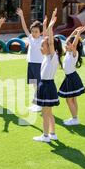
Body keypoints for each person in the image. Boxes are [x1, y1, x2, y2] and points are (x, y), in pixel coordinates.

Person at [33, 9, 63, 143]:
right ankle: (52, 133)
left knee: (45, 114)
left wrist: (51, 25)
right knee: (49, 113)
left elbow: (50, 42)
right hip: (46, 85)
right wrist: (47, 26)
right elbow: (47, 39)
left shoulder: (52, 56)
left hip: (47, 85)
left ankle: (45, 136)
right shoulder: (48, 56)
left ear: (51, 48)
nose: (40, 47)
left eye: (42, 46)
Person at [16, 8, 47, 112]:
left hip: (38, 65)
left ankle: (40, 104)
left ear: (40, 32)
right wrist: (21, 16)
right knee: (34, 84)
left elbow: (46, 34)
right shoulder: (30, 38)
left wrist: (46, 24)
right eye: (32, 31)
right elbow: (24, 27)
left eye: (36, 31)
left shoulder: (42, 40)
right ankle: (37, 103)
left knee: (38, 85)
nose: (34, 33)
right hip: (30, 64)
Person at [58, 26, 85, 126]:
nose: (66, 45)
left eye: (68, 44)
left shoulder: (74, 53)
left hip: (72, 78)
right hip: (69, 78)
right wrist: (74, 31)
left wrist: (78, 34)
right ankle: (75, 117)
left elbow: (74, 44)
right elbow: (68, 39)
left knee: (69, 99)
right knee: (73, 99)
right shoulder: (68, 52)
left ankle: (75, 119)